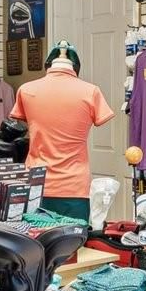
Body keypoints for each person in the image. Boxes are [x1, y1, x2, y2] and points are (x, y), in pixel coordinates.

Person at [10, 41, 112, 223]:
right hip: (74, 185)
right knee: (74, 240)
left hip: (36, 182)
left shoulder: (26, 90)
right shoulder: (91, 92)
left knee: (34, 239)